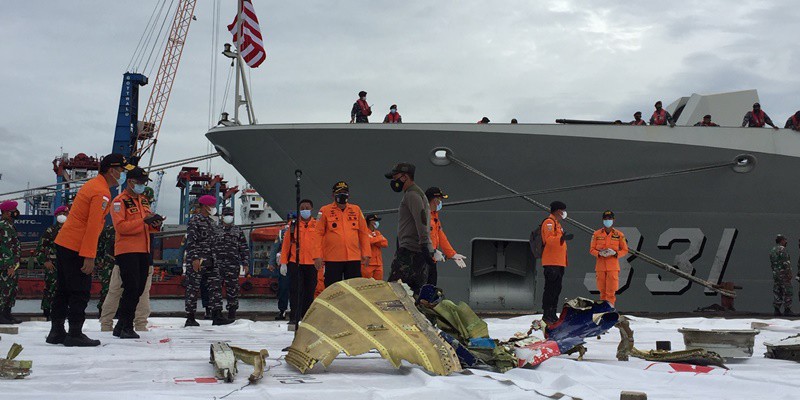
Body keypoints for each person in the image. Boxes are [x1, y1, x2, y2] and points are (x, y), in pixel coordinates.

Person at [47, 153, 130, 347]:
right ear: (112, 170)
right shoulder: (101, 192)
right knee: (80, 291)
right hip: (77, 245)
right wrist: (89, 256)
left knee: (63, 289)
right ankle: (75, 333)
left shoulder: (92, 185)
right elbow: (93, 226)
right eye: (122, 171)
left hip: (65, 242)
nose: (123, 175)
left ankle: (56, 331)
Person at [109, 166, 161, 339]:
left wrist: (155, 223)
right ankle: (126, 325)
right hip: (127, 250)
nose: (143, 185)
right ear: (130, 182)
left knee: (138, 289)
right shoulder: (119, 201)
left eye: (144, 182)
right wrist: (143, 221)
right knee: (131, 288)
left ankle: (121, 325)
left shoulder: (144, 201)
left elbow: (147, 226)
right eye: (140, 182)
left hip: (144, 250)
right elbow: (121, 227)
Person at [385, 163, 435, 295]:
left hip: (410, 252)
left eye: (395, 177)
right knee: (414, 291)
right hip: (416, 250)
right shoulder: (416, 193)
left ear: (404, 177)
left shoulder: (412, 194)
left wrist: (424, 243)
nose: (393, 181)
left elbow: (421, 219)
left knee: (393, 291)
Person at [183, 195, 232, 327]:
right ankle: (190, 317)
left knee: (215, 287)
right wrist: (194, 259)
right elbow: (191, 241)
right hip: (198, 259)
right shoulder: (195, 221)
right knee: (193, 288)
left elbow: (216, 239)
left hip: (212, 259)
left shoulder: (211, 222)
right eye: (212, 206)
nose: (214, 208)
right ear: (205, 206)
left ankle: (217, 315)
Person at [314, 181, 371, 287]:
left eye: (345, 192)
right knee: (333, 290)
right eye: (339, 192)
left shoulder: (356, 210)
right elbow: (318, 233)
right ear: (333, 195)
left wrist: (366, 253)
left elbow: (363, 233)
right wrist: (317, 256)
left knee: (354, 289)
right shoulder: (325, 210)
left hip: (353, 258)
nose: (342, 195)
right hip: (333, 259)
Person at [280, 199, 319, 325]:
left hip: (312, 263)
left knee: (310, 291)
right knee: (295, 290)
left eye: (307, 207)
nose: (304, 210)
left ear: (311, 209)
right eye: (302, 208)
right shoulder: (293, 226)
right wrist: (283, 262)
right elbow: (286, 245)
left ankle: (306, 317)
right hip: (295, 262)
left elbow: (322, 244)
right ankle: (294, 317)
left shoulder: (318, 225)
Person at [426, 187, 467, 286]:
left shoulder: (434, 217)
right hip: (421, 262)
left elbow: (441, 235)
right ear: (435, 200)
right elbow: (418, 238)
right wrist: (432, 252)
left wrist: (452, 254)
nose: (441, 202)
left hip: (431, 260)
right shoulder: (423, 216)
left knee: (430, 288)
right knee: (421, 291)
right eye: (440, 199)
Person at [540, 201, 573, 323]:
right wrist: (562, 238)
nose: (564, 213)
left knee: (556, 289)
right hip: (551, 262)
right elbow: (549, 240)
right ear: (558, 211)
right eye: (563, 210)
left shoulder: (557, 224)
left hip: (559, 262)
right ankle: (547, 314)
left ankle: (553, 313)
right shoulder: (549, 222)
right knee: (550, 289)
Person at [214, 207, 249, 321]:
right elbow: (210, 246)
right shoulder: (215, 230)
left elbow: (244, 248)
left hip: (232, 265)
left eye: (230, 214)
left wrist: (246, 263)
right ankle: (216, 313)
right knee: (215, 289)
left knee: (233, 289)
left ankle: (232, 314)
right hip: (217, 265)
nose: (228, 216)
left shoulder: (238, 231)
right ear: (222, 216)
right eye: (226, 214)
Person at [589, 211, 628, 307]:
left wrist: (615, 253)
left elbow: (625, 250)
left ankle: (610, 311)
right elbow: (591, 250)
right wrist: (599, 253)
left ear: (613, 220)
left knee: (611, 292)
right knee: (602, 291)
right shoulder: (596, 234)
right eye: (606, 219)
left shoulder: (619, 235)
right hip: (600, 266)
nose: (608, 221)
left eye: (610, 219)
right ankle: (603, 311)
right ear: (603, 220)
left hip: (613, 267)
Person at [37, 205, 69, 320]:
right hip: (53, 264)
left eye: (67, 214)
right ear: (57, 216)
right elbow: (40, 248)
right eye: (64, 214)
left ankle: (62, 311)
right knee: (51, 288)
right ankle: (47, 311)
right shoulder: (50, 231)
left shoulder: (71, 230)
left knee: (65, 288)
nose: (66, 216)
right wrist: (46, 261)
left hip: (66, 264)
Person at [269, 212, 295, 320]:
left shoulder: (303, 231)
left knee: (297, 289)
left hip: (298, 263)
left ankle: (296, 311)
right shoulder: (282, 233)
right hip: (284, 264)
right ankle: (282, 310)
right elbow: (275, 248)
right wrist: (271, 263)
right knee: (283, 288)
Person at [0, 200, 21, 325]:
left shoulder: (9, 225)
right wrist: (9, 266)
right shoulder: (4, 226)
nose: (16, 213)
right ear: (7, 213)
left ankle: (7, 314)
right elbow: (5, 247)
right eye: (14, 211)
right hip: (5, 265)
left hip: (13, 265)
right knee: (4, 290)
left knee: (11, 290)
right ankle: (1, 315)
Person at [770, 235, 794, 316]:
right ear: (782, 241)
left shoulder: (773, 250)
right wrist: (789, 273)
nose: (786, 242)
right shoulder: (782, 249)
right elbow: (786, 263)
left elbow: (772, 263)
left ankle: (776, 309)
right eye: (785, 240)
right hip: (783, 274)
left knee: (777, 290)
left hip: (776, 274)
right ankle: (787, 309)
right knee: (788, 291)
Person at [95, 224, 115, 319]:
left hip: (124, 263)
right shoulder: (108, 230)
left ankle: (119, 315)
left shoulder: (128, 229)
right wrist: (99, 261)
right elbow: (99, 246)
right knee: (106, 290)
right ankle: (102, 313)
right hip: (109, 264)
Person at [362, 214, 388, 280]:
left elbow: (385, 244)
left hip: (378, 264)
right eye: (375, 220)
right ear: (370, 222)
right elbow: (368, 241)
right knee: (366, 285)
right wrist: (380, 238)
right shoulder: (364, 232)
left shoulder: (377, 233)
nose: (377, 222)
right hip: (368, 264)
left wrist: (375, 240)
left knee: (379, 285)